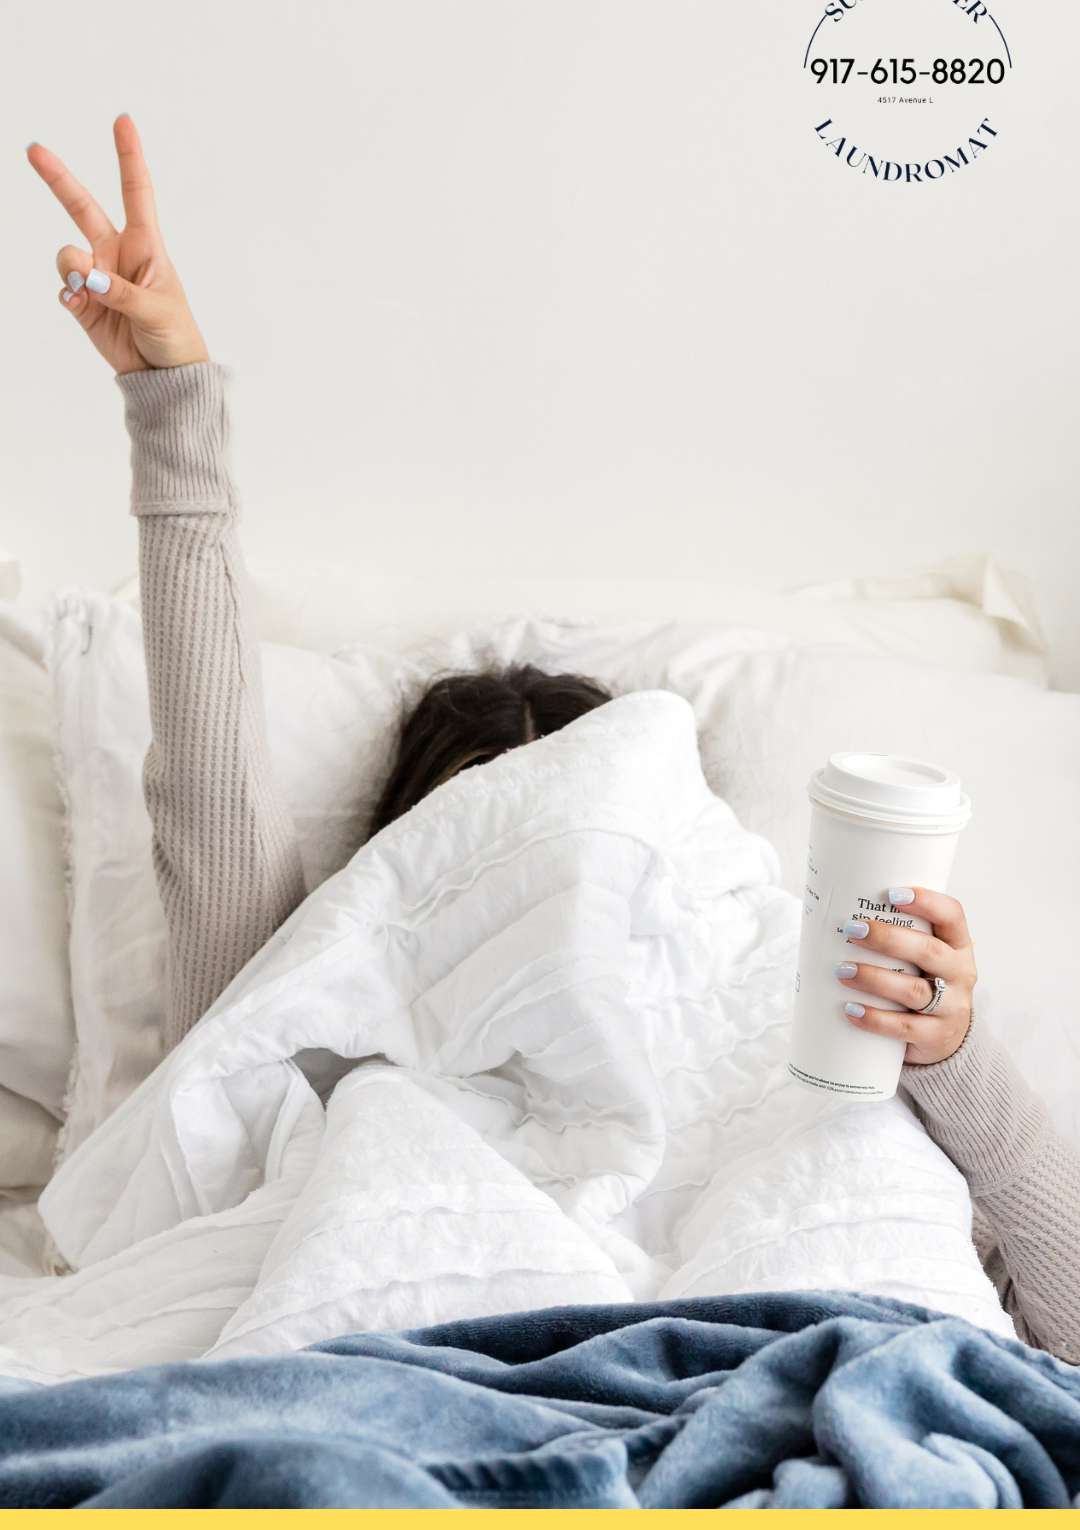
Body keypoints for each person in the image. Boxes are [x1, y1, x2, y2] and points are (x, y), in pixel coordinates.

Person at [28, 118, 1080, 1361]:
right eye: (485, 817)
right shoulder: (306, 1012)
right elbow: (211, 802)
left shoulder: (800, 1008)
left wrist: (951, 1059)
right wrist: (173, 410)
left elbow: (1063, 1330)